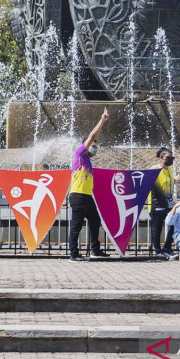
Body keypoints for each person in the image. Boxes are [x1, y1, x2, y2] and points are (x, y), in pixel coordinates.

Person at [67, 107, 109, 261]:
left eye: (96, 146)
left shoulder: (88, 161)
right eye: (93, 145)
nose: (95, 148)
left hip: (87, 197)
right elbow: (92, 136)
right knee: (76, 225)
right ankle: (73, 255)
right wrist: (102, 120)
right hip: (77, 196)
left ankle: (95, 250)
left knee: (95, 221)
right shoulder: (79, 154)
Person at [147, 147, 180, 259]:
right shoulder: (154, 169)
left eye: (172, 158)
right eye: (168, 158)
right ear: (160, 158)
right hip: (156, 203)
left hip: (168, 203)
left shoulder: (168, 170)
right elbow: (146, 180)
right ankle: (157, 251)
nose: (170, 160)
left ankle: (167, 248)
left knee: (173, 224)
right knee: (157, 228)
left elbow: (172, 182)